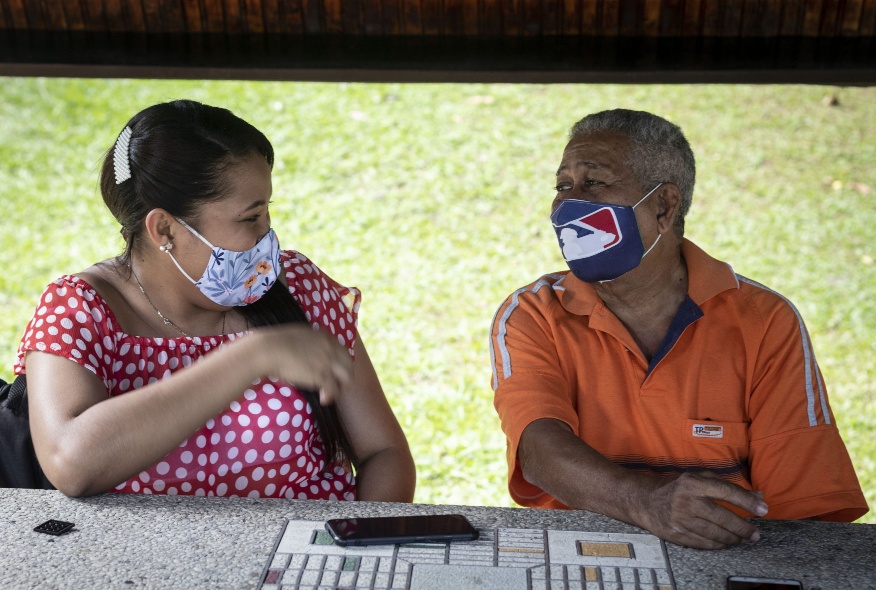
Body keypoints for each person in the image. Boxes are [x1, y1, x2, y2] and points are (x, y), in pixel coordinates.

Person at [489, 109, 868, 550]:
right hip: (579, 555)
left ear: (664, 206)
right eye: (563, 186)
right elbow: (540, 453)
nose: (568, 203)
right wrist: (647, 503)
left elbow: (802, 510)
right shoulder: (533, 314)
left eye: (594, 182)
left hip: (730, 556)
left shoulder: (764, 320)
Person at [14, 99, 416, 502]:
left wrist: (354, 545)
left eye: (266, 212)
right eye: (250, 218)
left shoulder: (297, 287)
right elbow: (70, 462)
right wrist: (252, 356)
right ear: (165, 228)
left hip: (311, 556)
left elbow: (385, 452)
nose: (268, 236)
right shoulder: (79, 310)